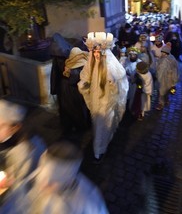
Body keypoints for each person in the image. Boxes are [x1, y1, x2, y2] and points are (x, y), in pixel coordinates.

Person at [7, 141, 109, 214]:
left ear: (68, 180)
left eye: (52, 182)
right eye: (42, 177)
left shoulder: (89, 201)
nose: (43, 185)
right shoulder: (39, 177)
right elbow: (18, 201)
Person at [78, 32, 129, 162]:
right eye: (94, 52)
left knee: (102, 125)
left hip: (108, 101)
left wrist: (113, 84)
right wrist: (83, 83)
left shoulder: (111, 66)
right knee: (98, 125)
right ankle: (101, 146)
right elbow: (85, 74)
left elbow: (122, 82)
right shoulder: (92, 63)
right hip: (96, 99)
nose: (96, 55)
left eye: (98, 52)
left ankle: (98, 151)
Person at [0, 99, 46, 209]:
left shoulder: (25, 152)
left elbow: (22, 190)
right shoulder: (14, 139)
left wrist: (9, 182)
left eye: (1, 126)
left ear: (15, 127)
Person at [61, 47, 91, 137]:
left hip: (77, 91)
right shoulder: (74, 64)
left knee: (79, 109)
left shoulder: (82, 66)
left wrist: (70, 73)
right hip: (73, 91)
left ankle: (81, 126)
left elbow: (76, 78)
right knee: (76, 109)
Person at [155, 43, 179, 110]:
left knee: (165, 91)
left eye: (163, 52)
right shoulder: (161, 58)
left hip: (168, 78)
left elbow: (175, 71)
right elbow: (158, 67)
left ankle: (164, 100)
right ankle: (161, 103)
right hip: (161, 78)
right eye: (161, 52)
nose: (162, 54)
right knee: (161, 92)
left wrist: (174, 81)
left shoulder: (171, 60)